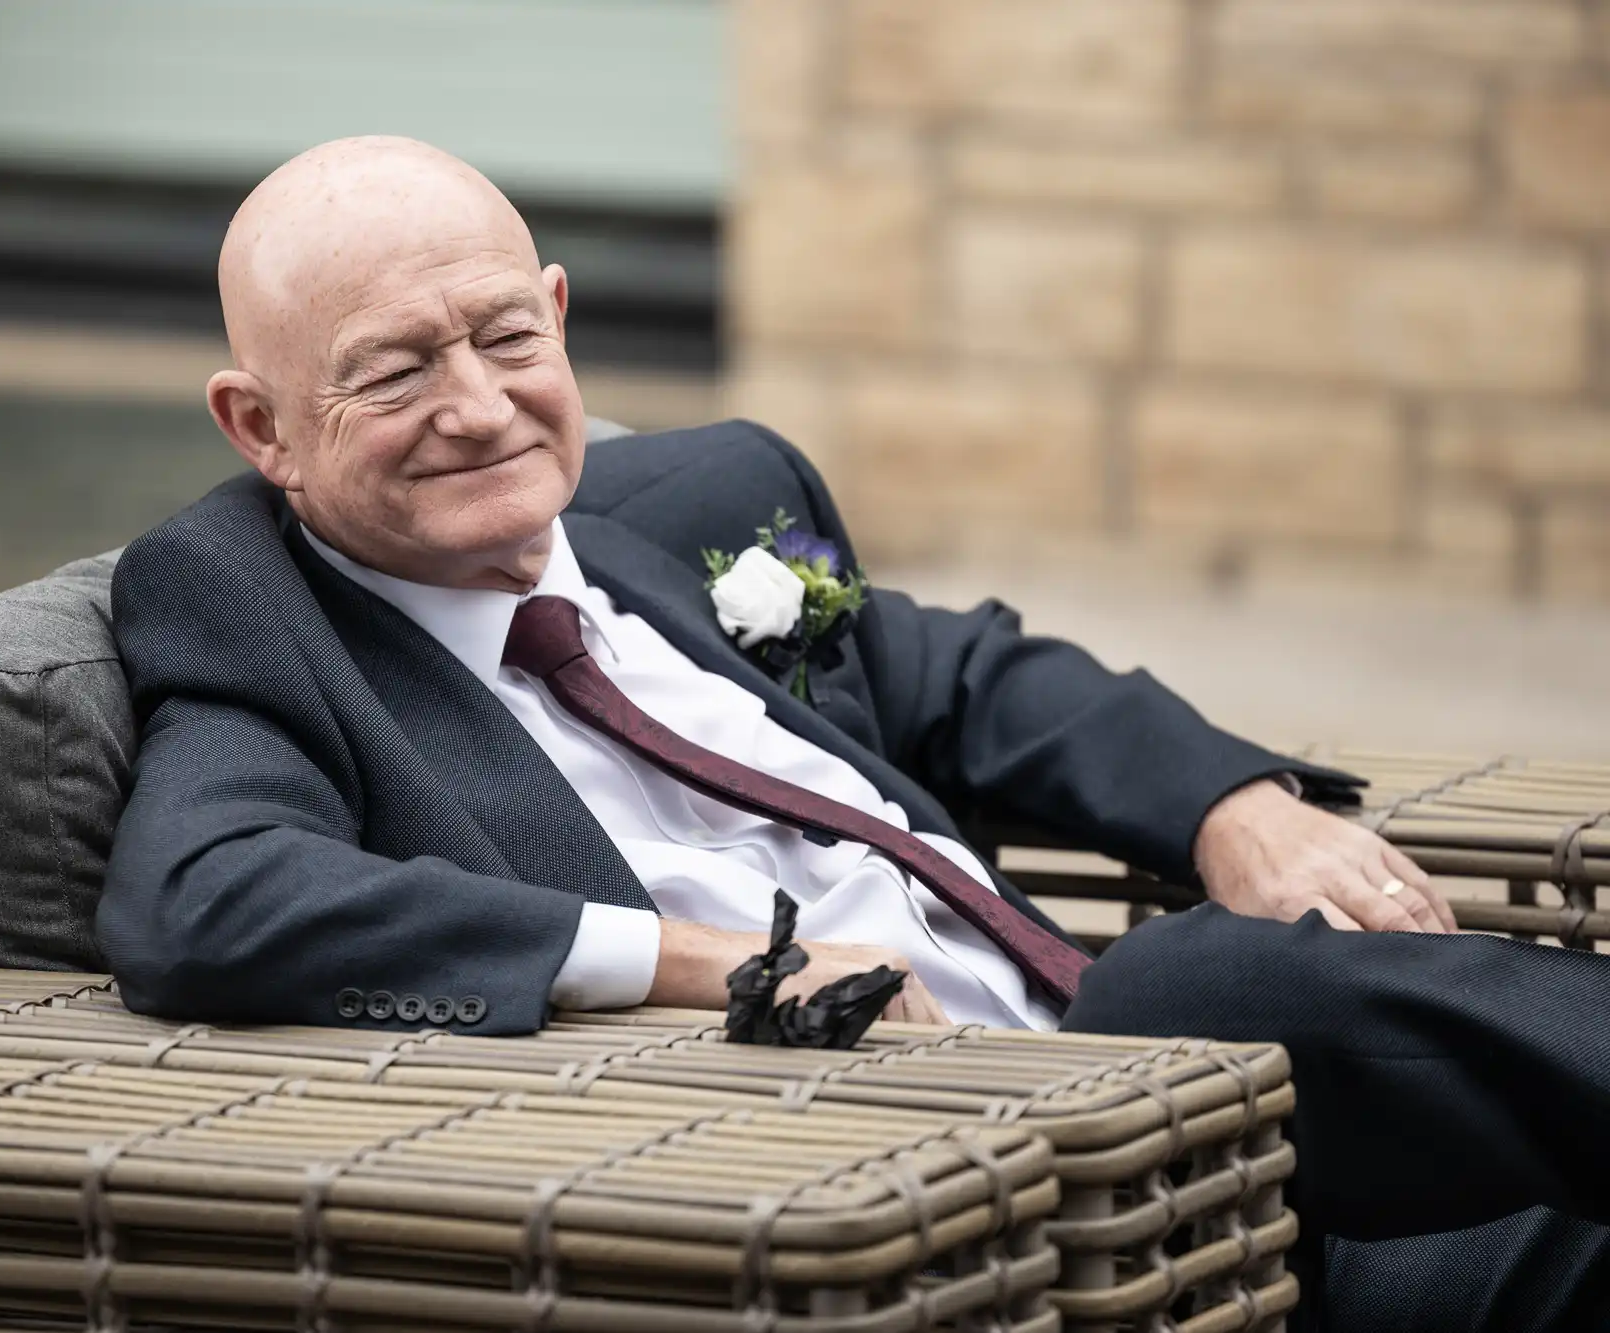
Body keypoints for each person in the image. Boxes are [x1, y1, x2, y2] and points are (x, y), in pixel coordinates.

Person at [100, 137, 1610, 1331]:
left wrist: (1241, 810)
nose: (482, 406)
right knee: (1189, 975)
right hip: (987, 1208)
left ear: (558, 316)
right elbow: (204, 901)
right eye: (395, 369)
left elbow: (975, 680)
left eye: (503, 335)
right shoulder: (254, 621)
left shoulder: (666, 520)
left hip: (1289, 1199)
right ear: (262, 428)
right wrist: (718, 965)